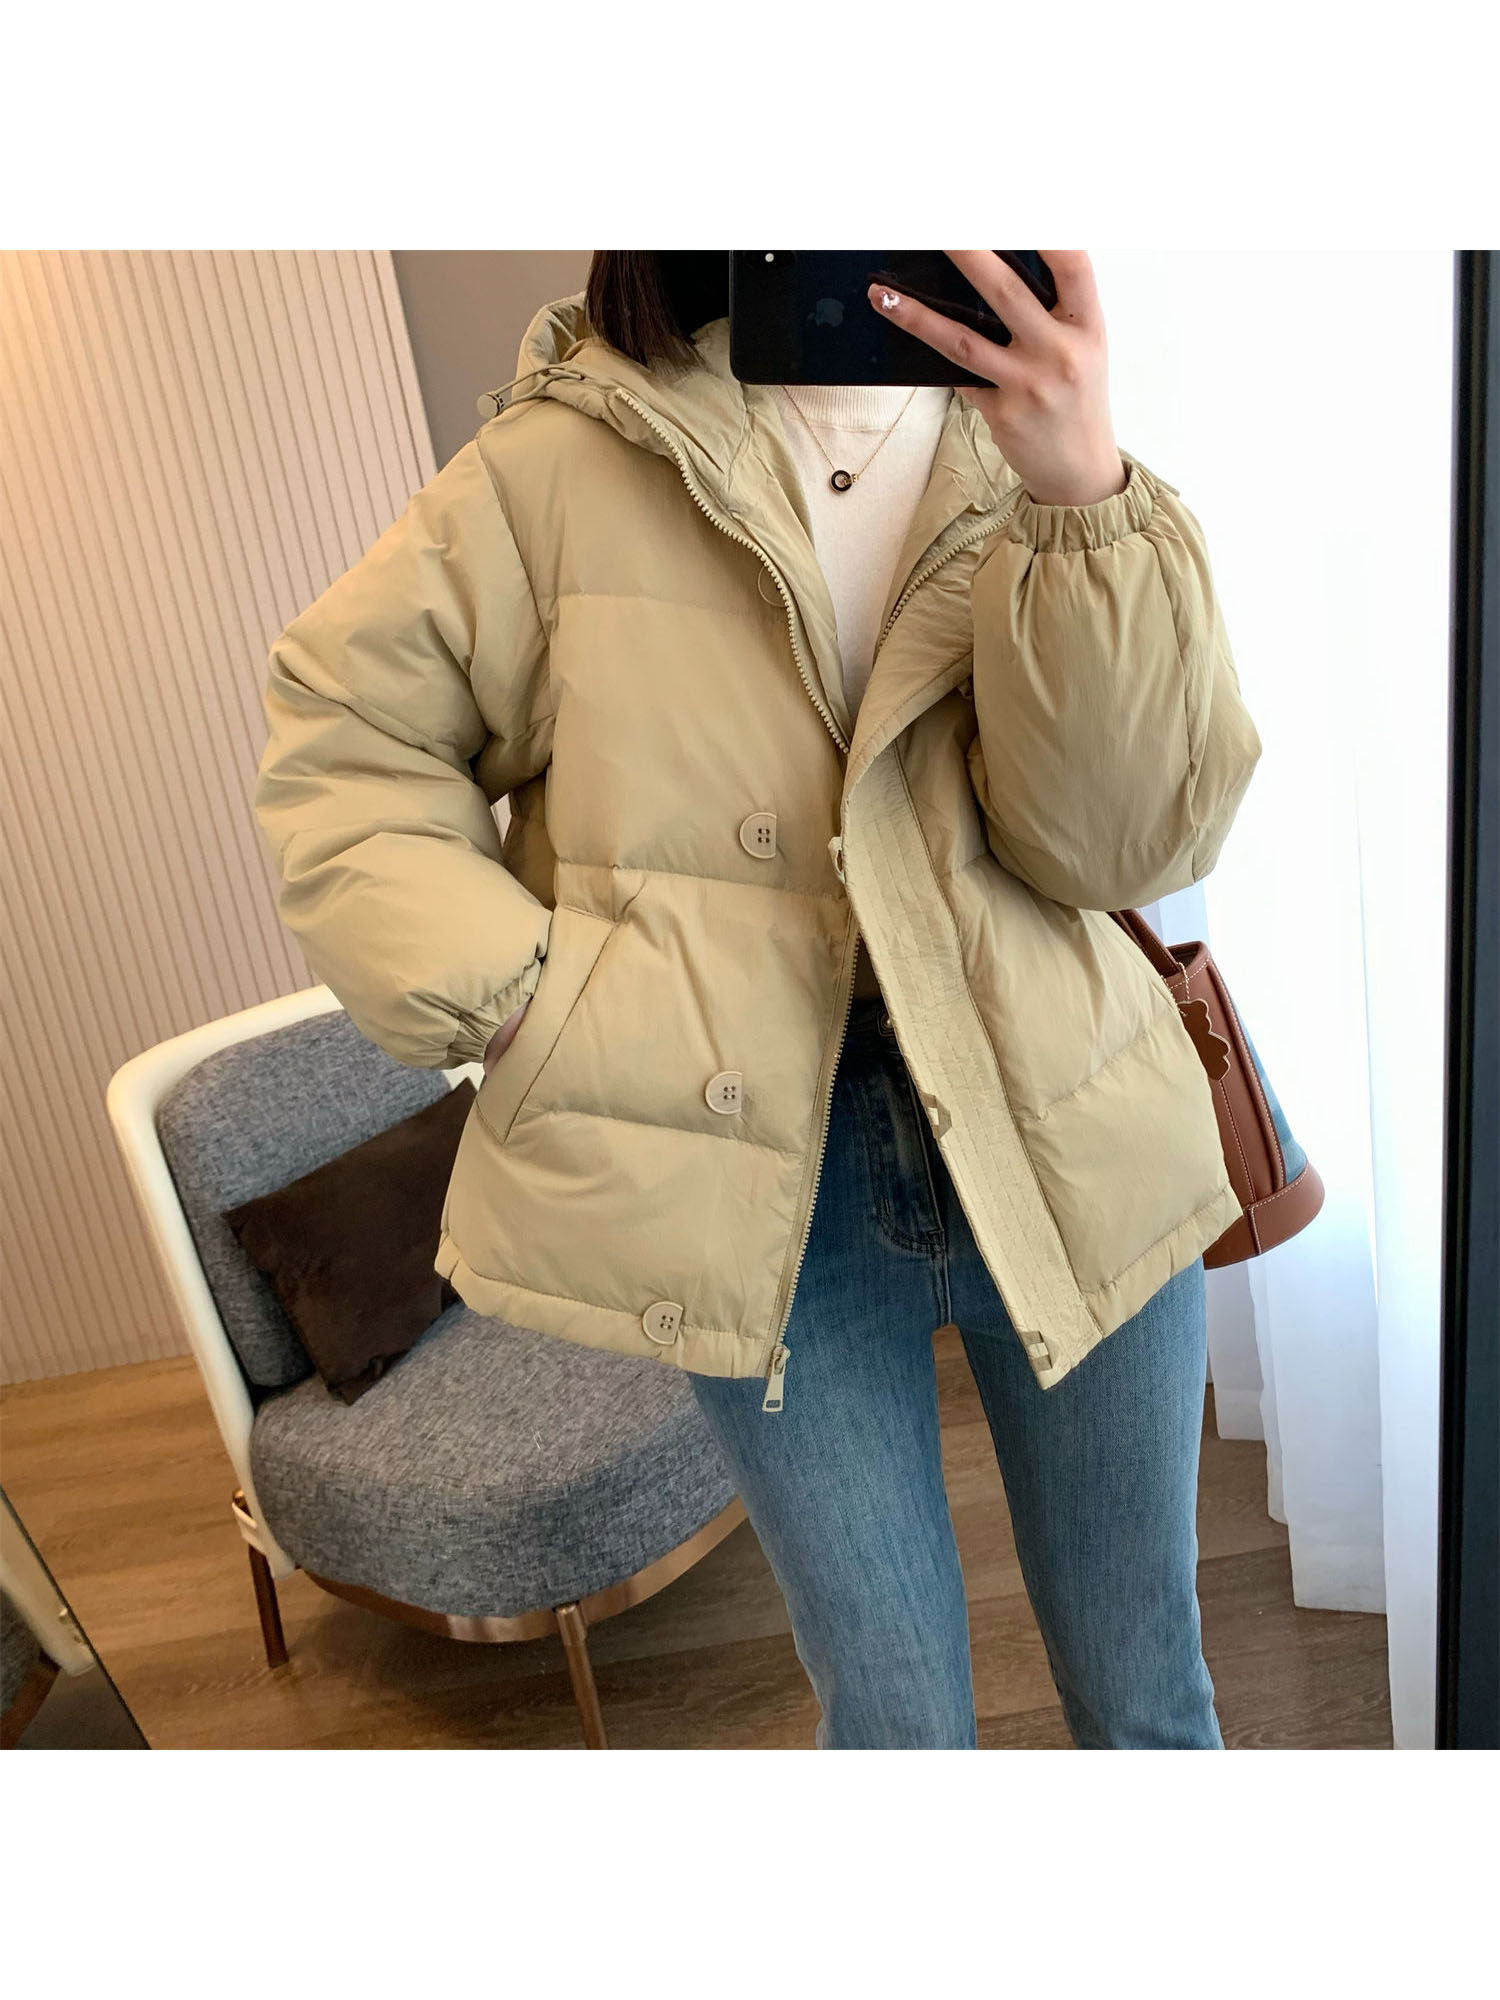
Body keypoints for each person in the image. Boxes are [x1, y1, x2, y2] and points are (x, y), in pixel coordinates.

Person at [255, 251, 1263, 1749]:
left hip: (1063, 1110)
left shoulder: (1033, 439)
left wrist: (1081, 495)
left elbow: (1124, 848)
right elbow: (343, 742)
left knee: (1148, 1695)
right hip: (757, 1170)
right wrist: (530, 1003)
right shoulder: (563, 460)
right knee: (893, 1717)